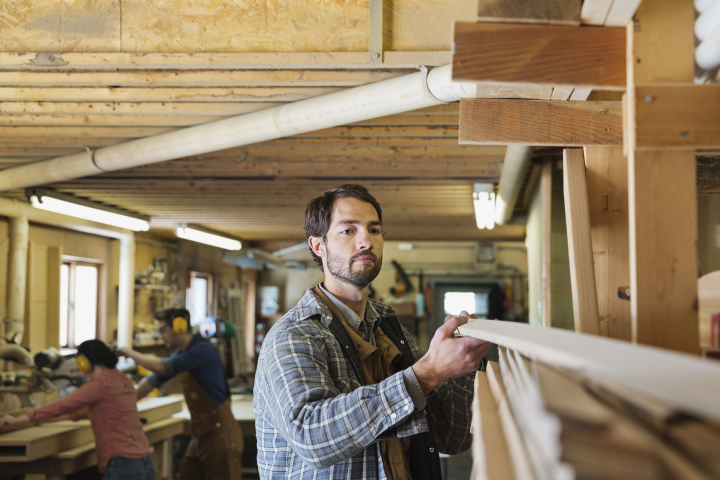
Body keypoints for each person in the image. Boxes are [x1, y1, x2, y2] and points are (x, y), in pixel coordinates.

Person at [253, 184, 492, 479]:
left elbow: (450, 438)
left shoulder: (389, 330)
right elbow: (311, 438)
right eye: (348, 230)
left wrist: (464, 365)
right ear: (318, 246)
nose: (367, 241)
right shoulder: (293, 335)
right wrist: (427, 373)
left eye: (375, 230)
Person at [0, 340, 155, 480]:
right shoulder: (122, 379)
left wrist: (15, 420)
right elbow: (82, 412)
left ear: (83, 362)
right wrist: (41, 419)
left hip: (124, 466)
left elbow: (61, 406)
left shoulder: (100, 385)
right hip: (144, 460)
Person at [120, 308, 243, 480]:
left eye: (163, 330)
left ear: (179, 327)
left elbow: (161, 367)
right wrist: (123, 405)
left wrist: (130, 353)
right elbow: (153, 380)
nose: (161, 336)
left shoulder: (203, 350)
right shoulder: (182, 355)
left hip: (219, 435)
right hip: (201, 436)